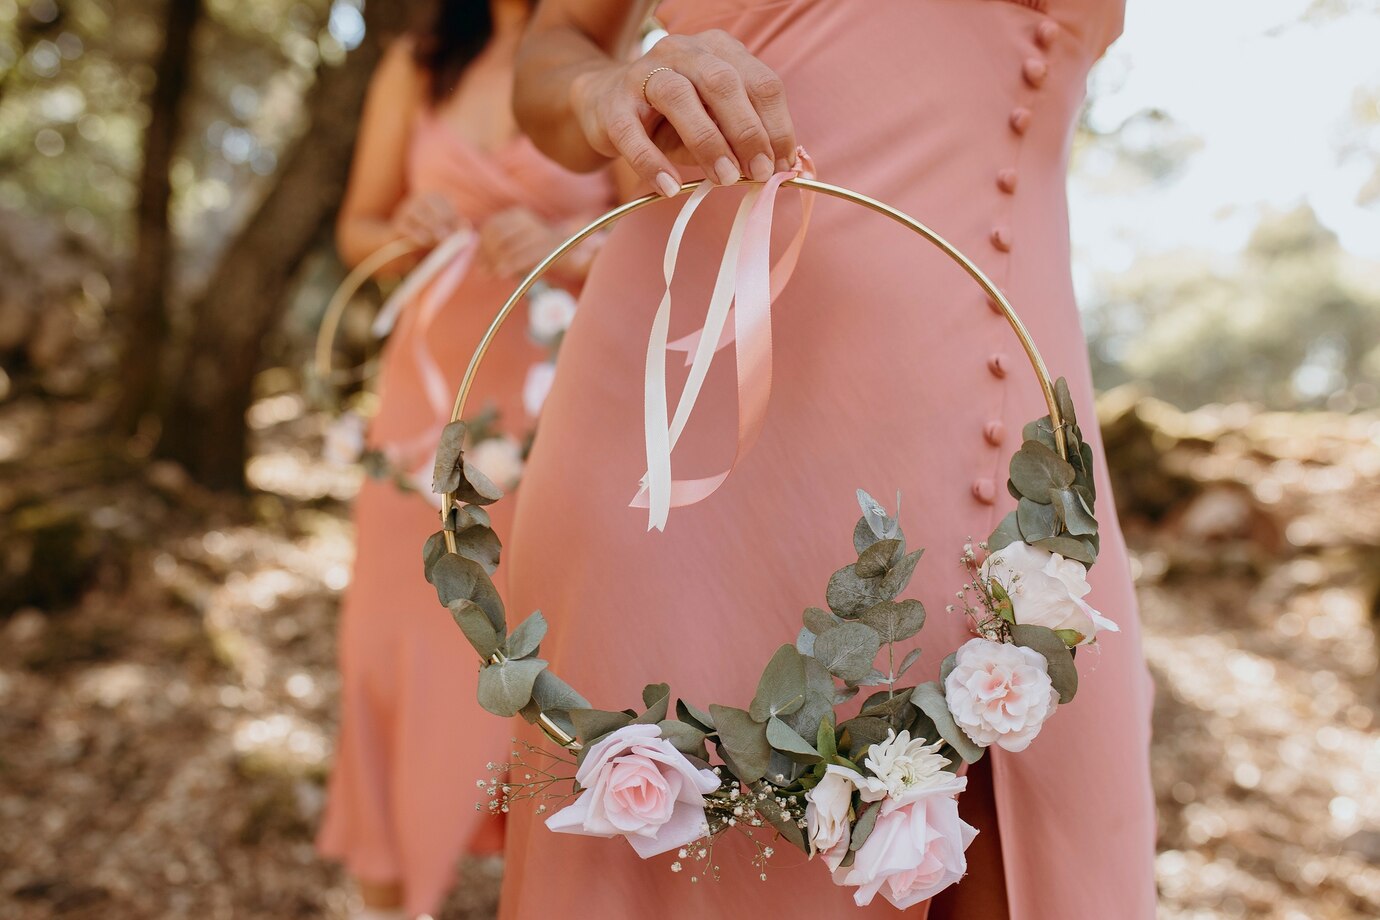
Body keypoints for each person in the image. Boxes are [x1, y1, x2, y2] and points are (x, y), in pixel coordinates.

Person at [498, 1, 1156, 918]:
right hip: (714, 428)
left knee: (1059, 855)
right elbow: (554, 47)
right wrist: (601, 83)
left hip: (1033, 443)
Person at [315, 2, 613, 917]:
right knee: (387, 654)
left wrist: (571, 253)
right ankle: (386, 896)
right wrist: (405, 226)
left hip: (550, 424)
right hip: (419, 411)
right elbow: (356, 230)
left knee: (539, 655)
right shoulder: (422, 60)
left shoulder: (613, 65)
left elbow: (652, 251)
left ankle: (548, 887)